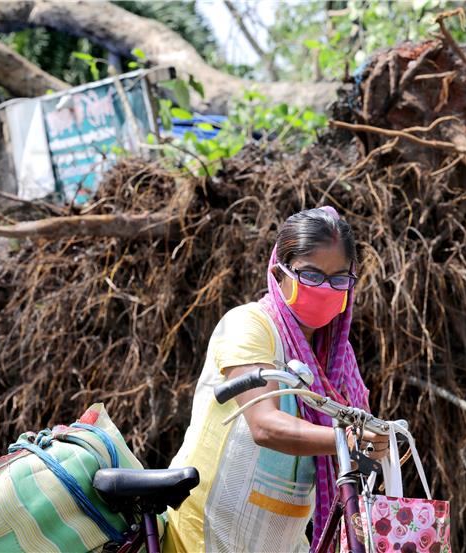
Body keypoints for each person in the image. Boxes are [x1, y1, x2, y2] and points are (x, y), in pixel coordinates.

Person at [163, 207, 389, 553]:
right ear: (278, 272)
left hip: (282, 540)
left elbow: (358, 444)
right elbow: (264, 425)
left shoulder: (339, 361)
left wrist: (379, 445)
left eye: (339, 279)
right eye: (311, 275)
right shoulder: (249, 326)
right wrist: (348, 439)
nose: (325, 289)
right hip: (210, 531)